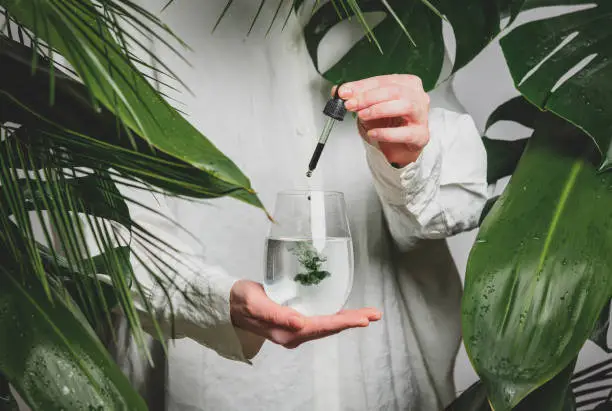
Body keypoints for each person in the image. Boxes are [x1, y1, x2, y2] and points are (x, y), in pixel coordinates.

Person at [122, 2, 489, 410]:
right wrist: (217, 303)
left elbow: (457, 202)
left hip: (393, 387)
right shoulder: (139, 17)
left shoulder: (400, 12)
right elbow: (115, 238)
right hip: (227, 391)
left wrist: (407, 160)